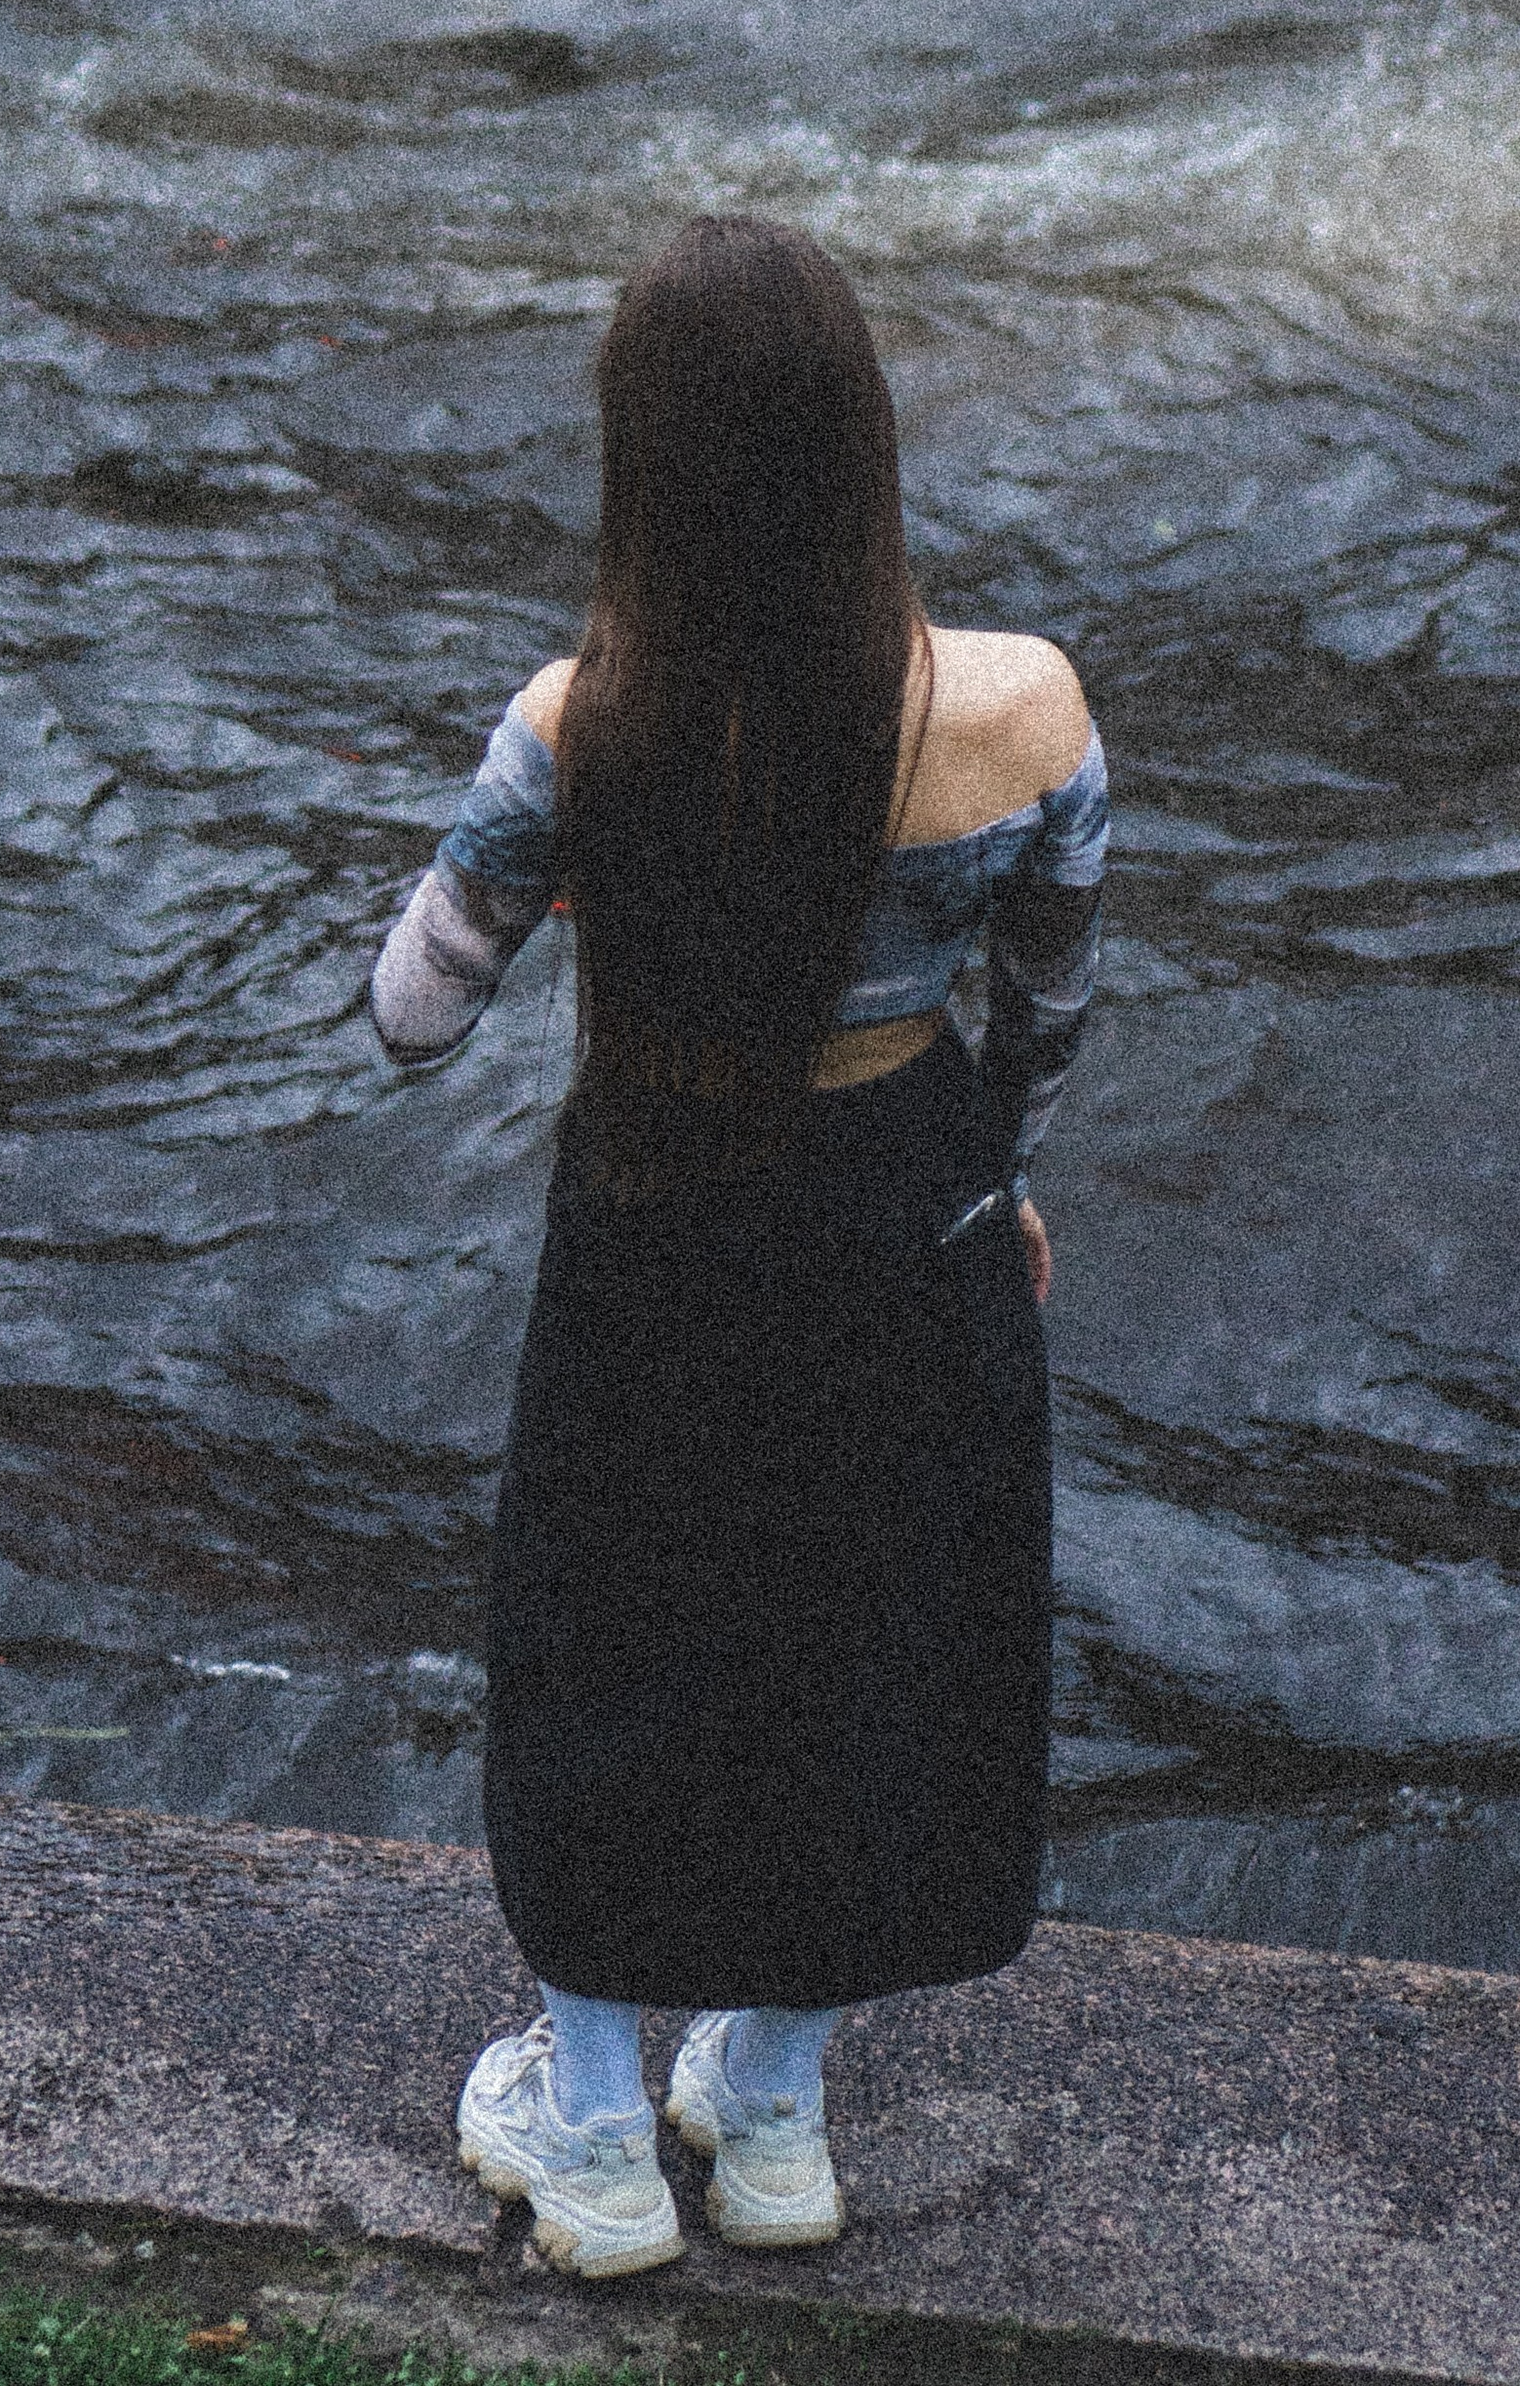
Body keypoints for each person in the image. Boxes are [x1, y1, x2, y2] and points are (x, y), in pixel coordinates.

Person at [371, 216, 1106, 2282]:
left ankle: (598, 2132)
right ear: (865, 442)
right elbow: (1050, 1011)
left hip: (660, 1218)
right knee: (873, 1640)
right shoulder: (1027, 713)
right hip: (910, 1208)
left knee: (613, 1644)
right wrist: (998, 1183)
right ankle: (772, 2116)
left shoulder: (578, 724)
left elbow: (410, 1013)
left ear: (643, 467)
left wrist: (567, 872)